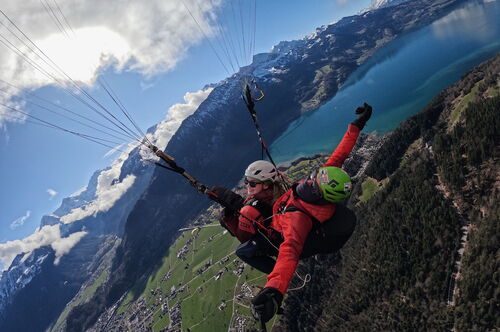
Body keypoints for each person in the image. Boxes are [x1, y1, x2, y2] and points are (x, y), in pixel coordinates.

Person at [212, 103, 372, 324]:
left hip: (279, 233)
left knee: (244, 251)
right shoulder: (317, 190)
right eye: (316, 175)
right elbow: (339, 156)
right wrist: (357, 125)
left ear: (318, 191)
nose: (310, 178)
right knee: (241, 208)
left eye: (314, 181)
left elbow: (289, 253)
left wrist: (274, 291)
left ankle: (270, 270)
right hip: (280, 214)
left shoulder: (298, 218)